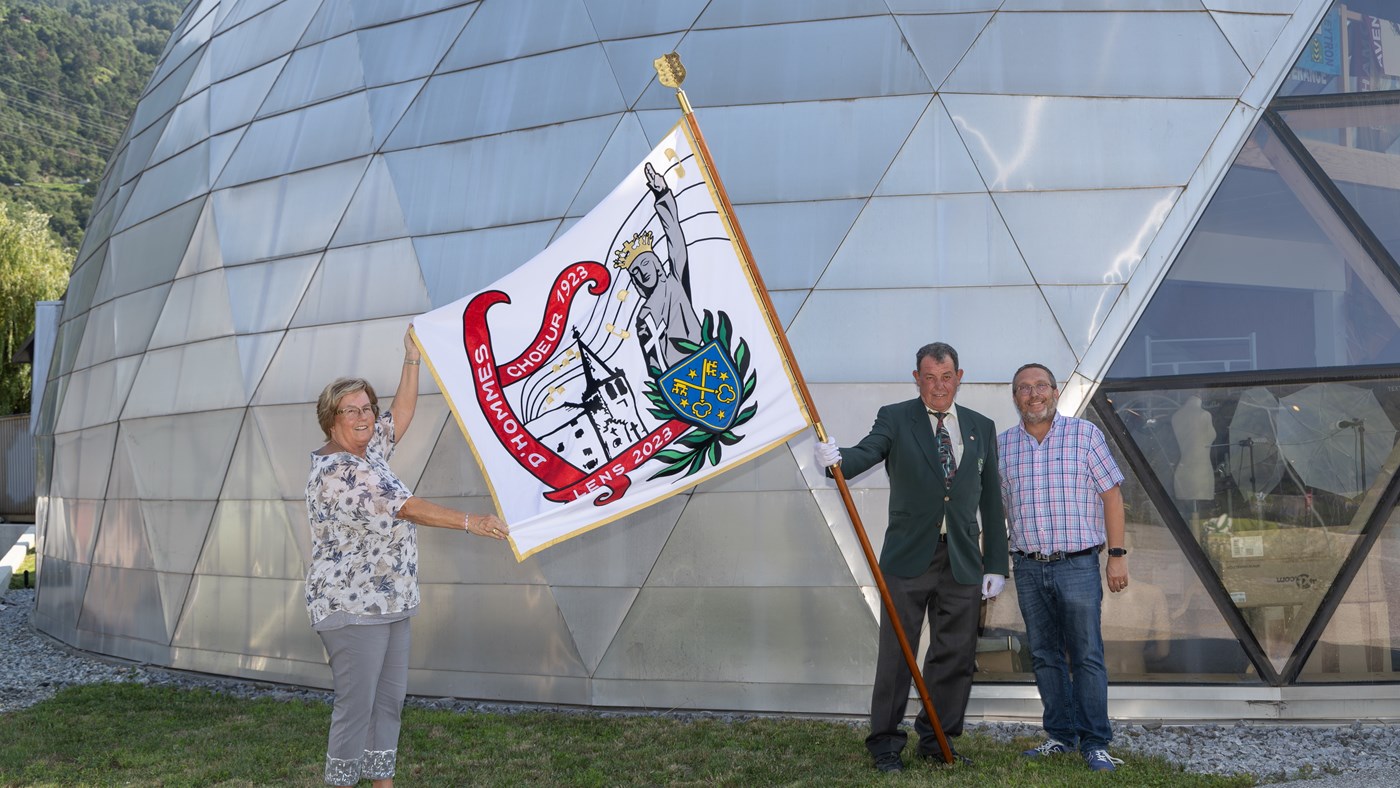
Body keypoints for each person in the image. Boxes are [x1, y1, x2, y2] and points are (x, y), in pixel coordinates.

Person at [306, 327, 509, 788]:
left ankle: (382, 783)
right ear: (330, 418)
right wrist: (470, 522)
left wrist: (411, 357)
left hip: (390, 601)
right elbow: (406, 507)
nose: (364, 417)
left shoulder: (366, 449)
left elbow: (401, 414)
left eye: (366, 408)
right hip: (351, 608)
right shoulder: (338, 470)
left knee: (388, 702)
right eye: (351, 410)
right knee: (356, 708)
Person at [815, 341, 1008, 773]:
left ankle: (938, 741)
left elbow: (991, 500)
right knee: (897, 654)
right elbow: (868, 451)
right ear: (916, 378)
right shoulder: (895, 417)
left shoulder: (981, 426)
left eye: (946, 377)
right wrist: (837, 461)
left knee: (955, 655)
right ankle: (884, 744)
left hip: (961, 560)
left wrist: (996, 562)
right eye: (929, 376)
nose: (938, 386)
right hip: (907, 558)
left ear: (959, 377)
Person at [996, 362, 1127, 772]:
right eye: (1023, 388)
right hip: (1029, 568)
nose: (1033, 394)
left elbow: (1112, 496)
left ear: (1055, 392)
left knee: (1087, 654)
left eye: (1040, 386)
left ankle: (1095, 742)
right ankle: (1060, 735)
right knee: (1044, 655)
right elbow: (998, 508)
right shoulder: (1002, 446)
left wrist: (1117, 555)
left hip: (1078, 565)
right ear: (1015, 397)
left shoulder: (1085, 435)